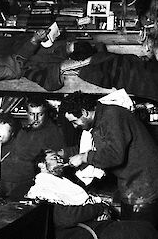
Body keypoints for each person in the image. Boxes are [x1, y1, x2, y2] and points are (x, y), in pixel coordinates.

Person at [58, 91, 158, 229]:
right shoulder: (101, 119)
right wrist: (67, 154)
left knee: (140, 231)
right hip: (132, 185)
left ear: (84, 112)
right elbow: (95, 148)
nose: (75, 126)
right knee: (128, 229)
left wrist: (84, 157)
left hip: (144, 187)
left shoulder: (112, 117)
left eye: (75, 121)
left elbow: (114, 155)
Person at [29, 150, 158, 239]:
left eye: (58, 157)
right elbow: (65, 218)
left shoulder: (62, 182)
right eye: (53, 158)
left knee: (145, 228)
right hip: (79, 232)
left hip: (90, 225)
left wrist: (103, 209)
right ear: (42, 165)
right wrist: (99, 208)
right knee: (143, 231)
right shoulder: (43, 187)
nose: (59, 159)